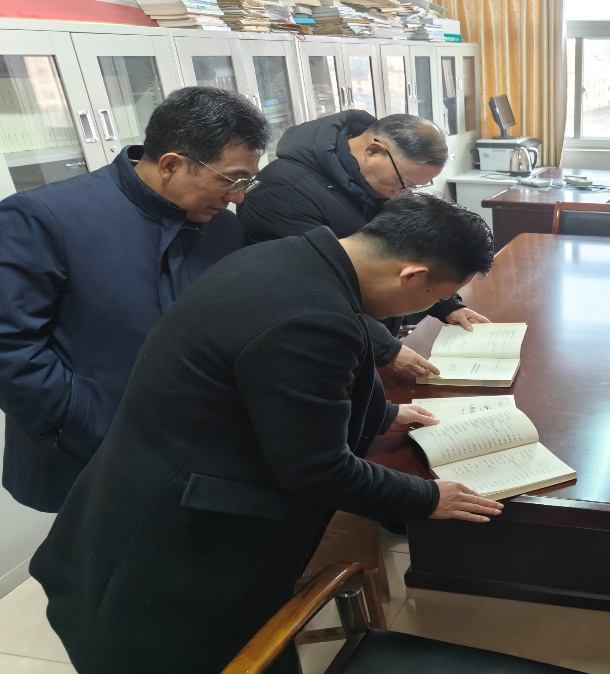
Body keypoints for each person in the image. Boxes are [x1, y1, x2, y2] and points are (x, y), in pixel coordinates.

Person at [30, 193, 504, 674]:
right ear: (413, 275)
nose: (429, 307)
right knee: (225, 656)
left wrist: (382, 414)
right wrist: (427, 497)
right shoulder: (313, 317)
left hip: (138, 496)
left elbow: (266, 386)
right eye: (434, 298)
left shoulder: (291, 260)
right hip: (168, 552)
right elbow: (318, 469)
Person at [0, 86, 268, 512]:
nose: (238, 196)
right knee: (96, 548)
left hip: (192, 452)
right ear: (171, 164)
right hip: (87, 450)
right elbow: (10, 347)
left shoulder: (223, 228)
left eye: (246, 181)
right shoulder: (43, 218)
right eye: (230, 179)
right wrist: (86, 425)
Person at [238, 110, 488, 379]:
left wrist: (446, 305)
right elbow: (310, 286)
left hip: (366, 336)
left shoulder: (373, 183)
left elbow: (412, 249)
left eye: (415, 187)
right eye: (404, 183)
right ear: (374, 151)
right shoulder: (283, 191)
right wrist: (386, 348)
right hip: (320, 348)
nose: (403, 193)